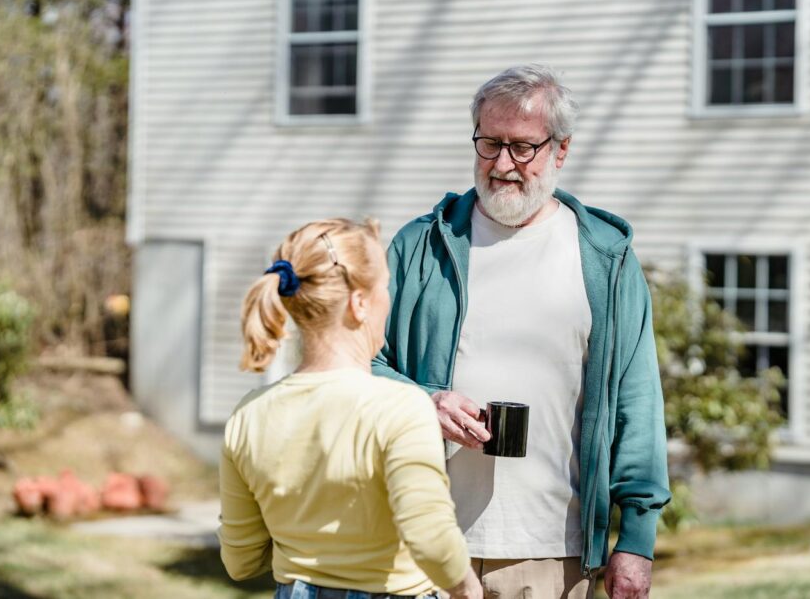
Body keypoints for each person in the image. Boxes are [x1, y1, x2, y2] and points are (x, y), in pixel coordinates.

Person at [371, 65, 672, 599]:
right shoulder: (419, 247)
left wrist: (637, 540)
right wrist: (424, 402)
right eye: (489, 144)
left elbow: (637, 398)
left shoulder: (605, 257)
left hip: (552, 550)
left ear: (560, 150)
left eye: (522, 147)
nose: (503, 164)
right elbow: (359, 365)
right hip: (422, 543)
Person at [219, 218, 483, 599]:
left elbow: (240, 560)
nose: (389, 301)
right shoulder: (402, 408)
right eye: (384, 288)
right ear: (360, 304)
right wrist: (469, 591)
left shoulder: (248, 415)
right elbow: (431, 537)